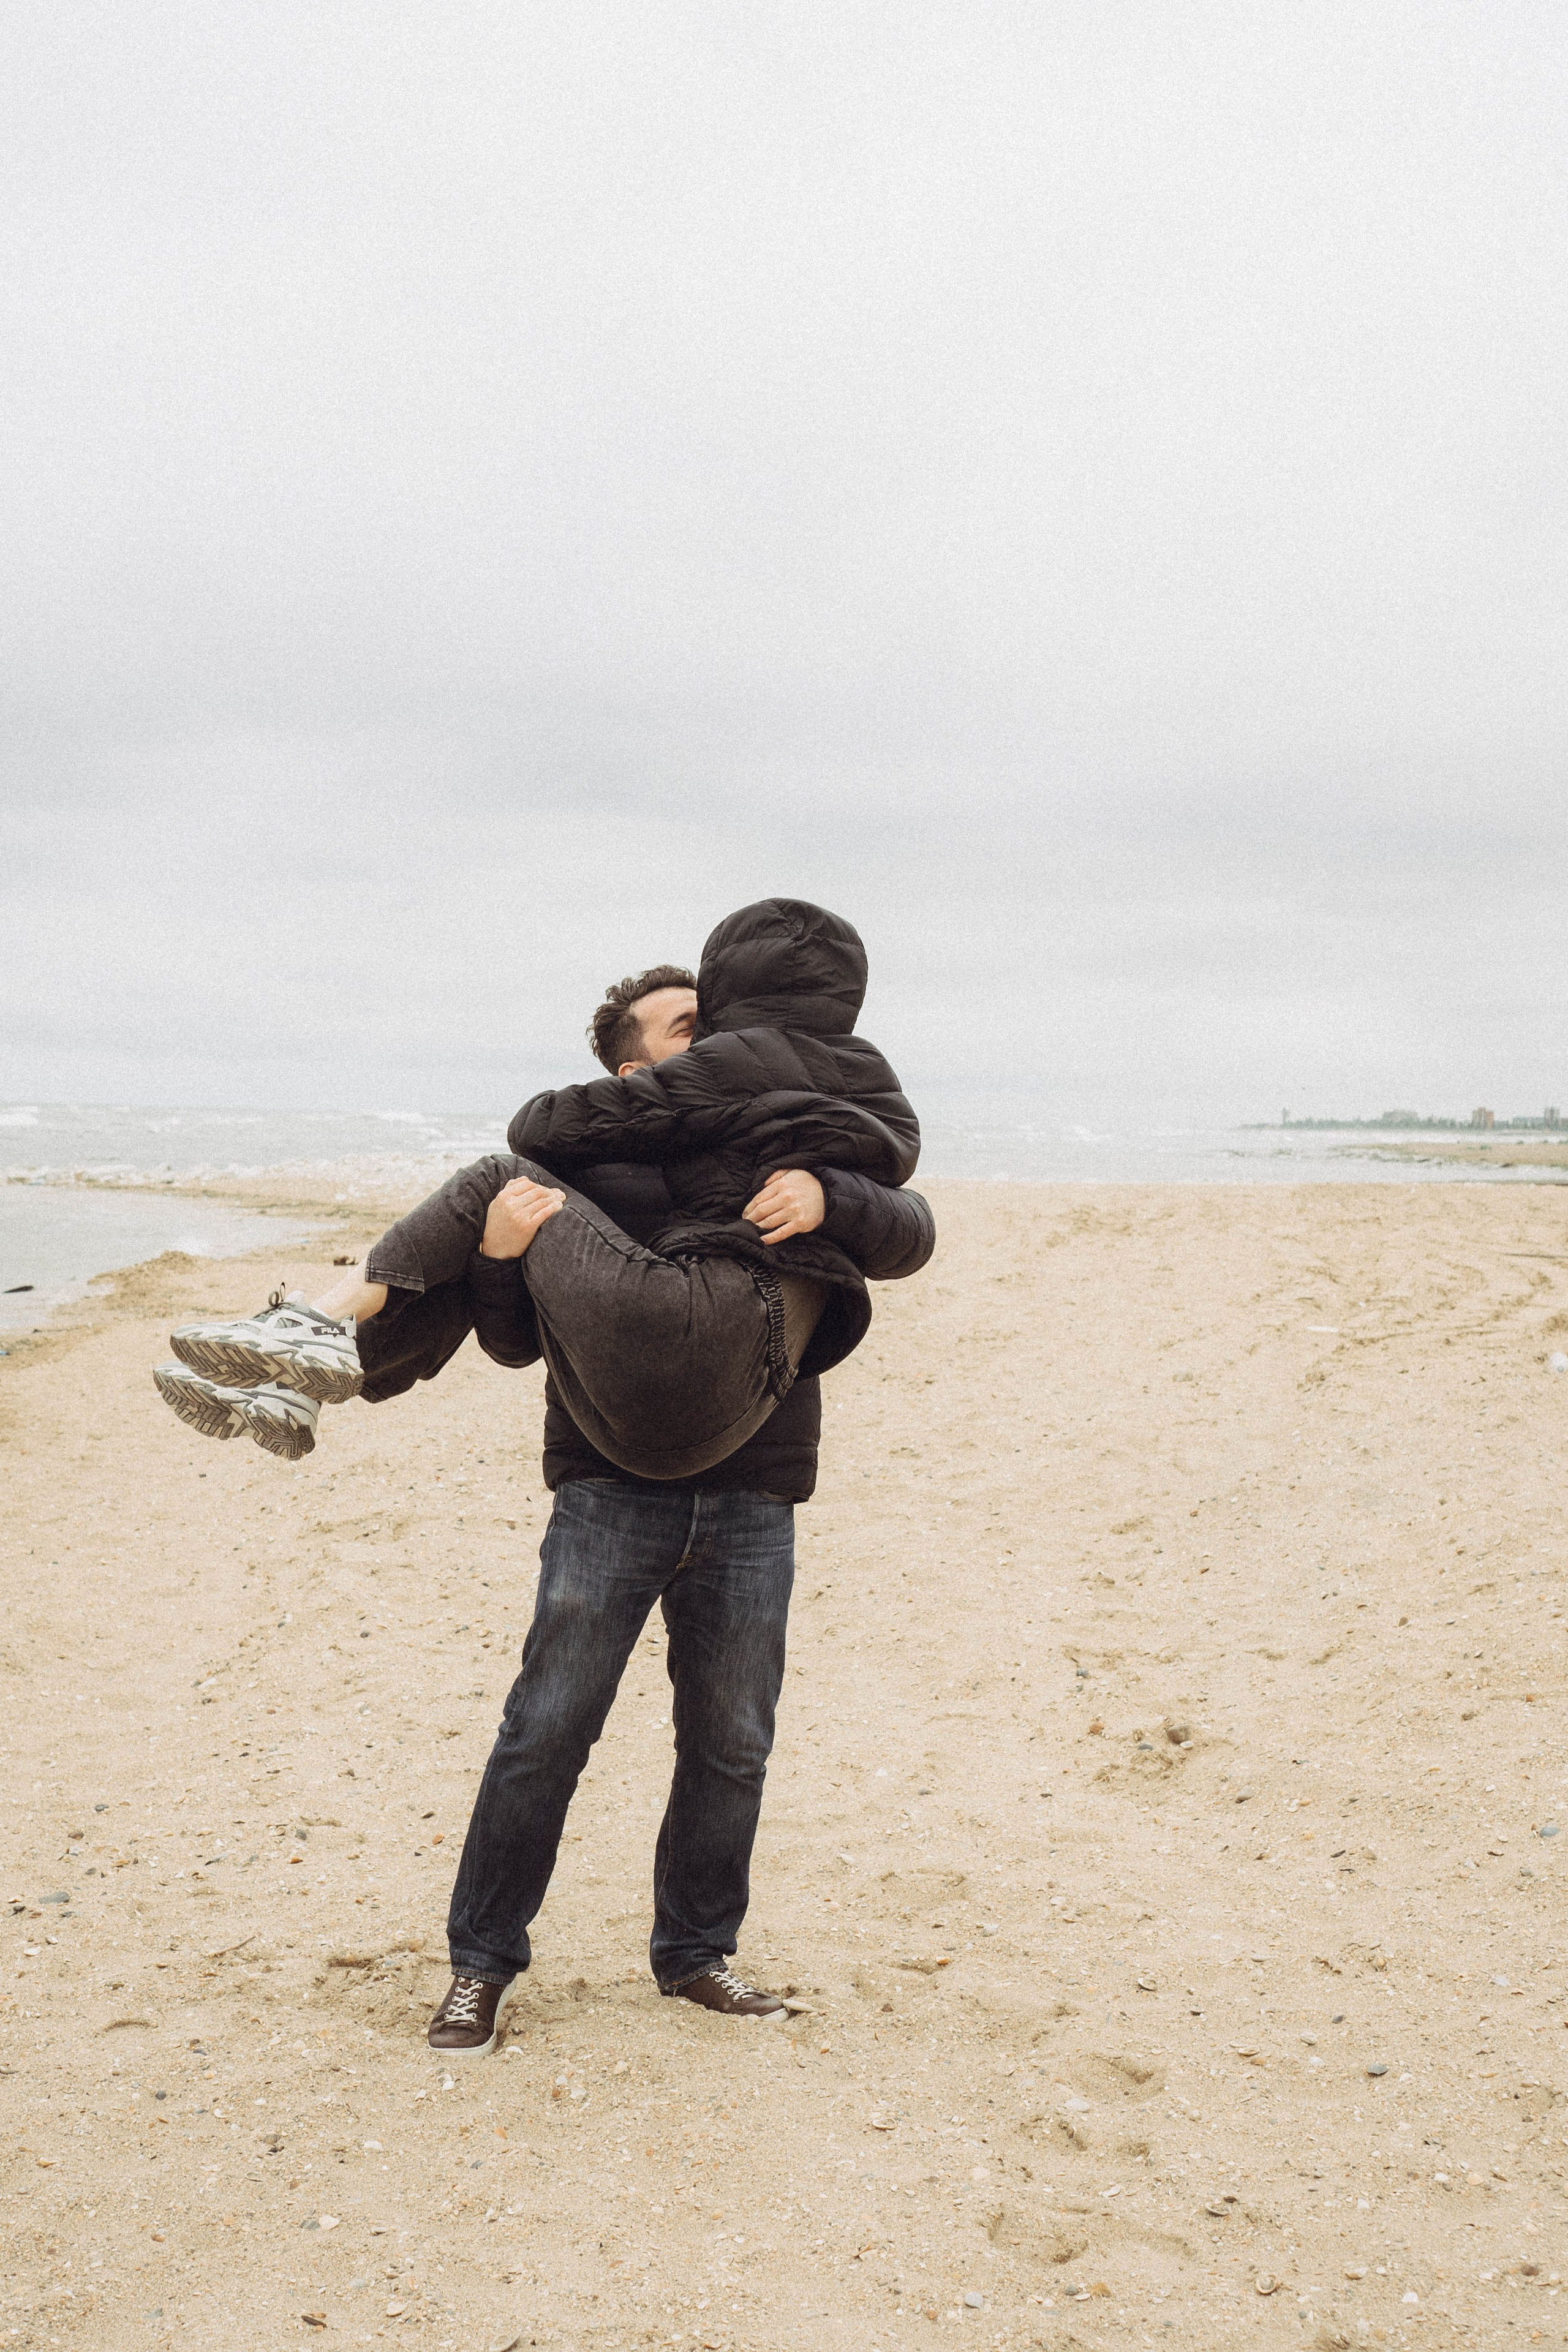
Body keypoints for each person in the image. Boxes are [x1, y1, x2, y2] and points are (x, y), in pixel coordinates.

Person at [154, 902, 935, 2041]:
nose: (715, 1041)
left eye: (716, 1020)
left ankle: (698, 1956)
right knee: (547, 1728)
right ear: (637, 1064)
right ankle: (481, 1963)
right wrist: (508, 1258)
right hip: (607, 1486)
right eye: (686, 1029)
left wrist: (831, 1197)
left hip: (756, 1483)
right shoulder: (581, 1163)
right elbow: (515, 1340)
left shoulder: (787, 1138)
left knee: (733, 1739)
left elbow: (909, 1226)